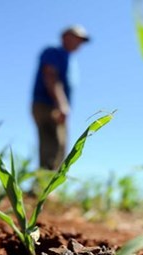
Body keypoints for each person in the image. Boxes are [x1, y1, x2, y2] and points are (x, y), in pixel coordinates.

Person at [32, 25, 90, 170]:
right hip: (47, 105)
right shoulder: (53, 52)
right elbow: (50, 76)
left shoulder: (69, 60)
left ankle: (46, 185)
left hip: (55, 105)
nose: (80, 43)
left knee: (59, 145)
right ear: (65, 37)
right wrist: (62, 104)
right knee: (52, 144)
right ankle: (43, 187)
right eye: (77, 38)